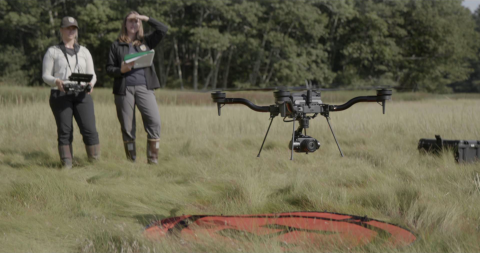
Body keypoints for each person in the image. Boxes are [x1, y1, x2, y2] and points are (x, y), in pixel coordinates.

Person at [106, 11, 168, 164]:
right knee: (127, 127)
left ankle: (153, 161)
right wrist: (121, 70)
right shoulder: (116, 45)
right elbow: (108, 69)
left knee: (154, 121)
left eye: (136, 21)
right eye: (130, 21)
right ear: (125, 25)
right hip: (124, 89)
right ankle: (131, 162)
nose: (134, 24)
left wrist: (146, 18)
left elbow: (163, 29)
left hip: (145, 87)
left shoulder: (146, 42)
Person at [42, 16, 100, 169]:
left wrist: (91, 83)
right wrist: (56, 81)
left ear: (76, 31)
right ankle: (67, 165)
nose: (70, 30)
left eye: (73, 28)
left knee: (90, 129)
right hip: (60, 94)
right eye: (67, 28)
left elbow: (92, 74)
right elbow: (45, 75)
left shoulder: (85, 52)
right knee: (65, 130)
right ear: (61, 30)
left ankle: (94, 163)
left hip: (82, 94)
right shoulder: (53, 51)